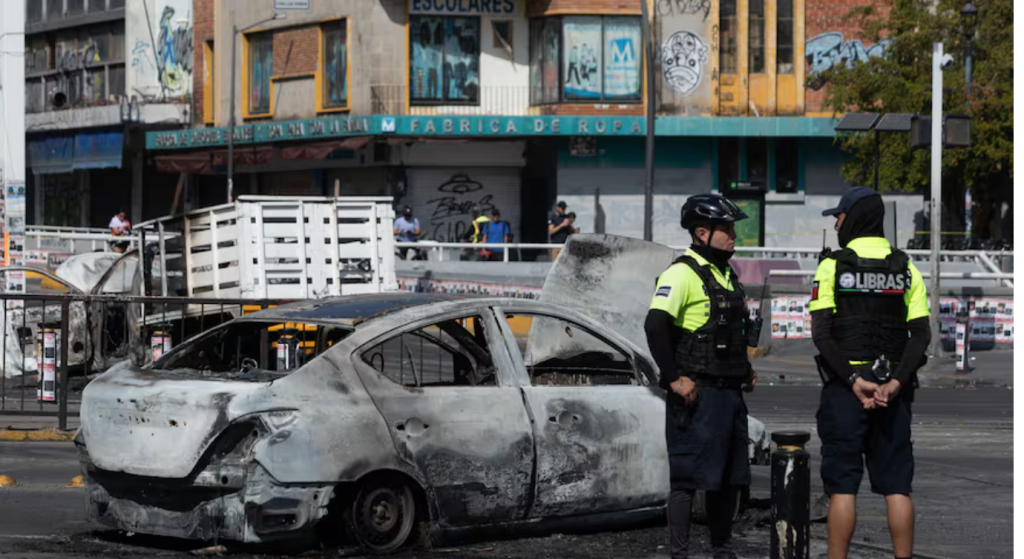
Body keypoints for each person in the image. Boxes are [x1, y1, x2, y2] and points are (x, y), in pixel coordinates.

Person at [809, 186, 930, 559]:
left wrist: (853, 380)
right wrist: (895, 382)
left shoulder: (832, 266)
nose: (837, 223)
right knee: (897, 487)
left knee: (843, 488)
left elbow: (823, 335)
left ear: (854, 218)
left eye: (839, 217)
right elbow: (920, 334)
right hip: (893, 393)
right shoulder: (905, 267)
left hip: (847, 392)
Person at [644, 193, 758, 559]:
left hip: (728, 394)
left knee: (727, 478)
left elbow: (727, 333)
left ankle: (722, 550)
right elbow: (655, 324)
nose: (733, 236)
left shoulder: (726, 274)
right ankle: (680, 554)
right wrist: (673, 377)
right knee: (686, 480)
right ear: (701, 233)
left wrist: (746, 370)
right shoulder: (682, 272)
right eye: (726, 229)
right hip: (696, 395)